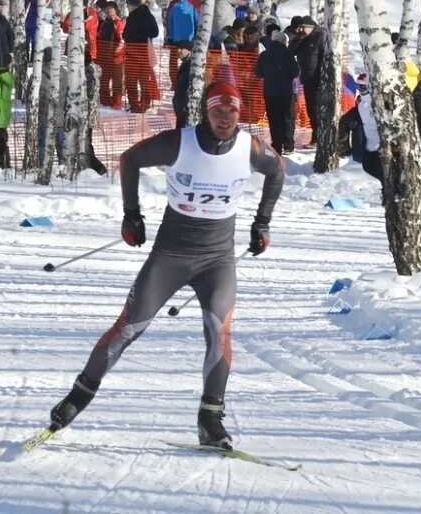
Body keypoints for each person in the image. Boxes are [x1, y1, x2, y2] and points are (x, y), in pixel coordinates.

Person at [45, 81, 285, 451]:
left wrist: (262, 222)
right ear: (206, 111)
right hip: (170, 256)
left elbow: (278, 169)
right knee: (128, 328)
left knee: (219, 334)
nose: (225, 119)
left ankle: (210, 419)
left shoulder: (249, 148)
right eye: (218, 111)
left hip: (217, 260)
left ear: (241, 114)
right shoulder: (180, 142)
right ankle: (78, 397)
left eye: (232, 112)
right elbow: (129, 159)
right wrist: (131, 216)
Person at [255, 30, 299, 155]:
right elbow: (296, 72)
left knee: (274, 120)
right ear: (283, 42)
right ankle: (289, 145)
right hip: (286, 92)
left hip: (270, 92)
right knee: (288, 118)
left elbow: (258, 72)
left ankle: (277, 146)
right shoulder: (288, 54)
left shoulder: (264, 55)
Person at [339, 75, 383, 184]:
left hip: (381, 149)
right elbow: (344, 121)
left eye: (363, 87)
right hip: (368, 149)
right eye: (359, 87)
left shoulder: (379, 103)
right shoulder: (361, 103)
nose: (361, 90)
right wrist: (344, 147)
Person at [291, 16, 326, 148]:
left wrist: (324, 79)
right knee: (311, 110)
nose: (300, 30)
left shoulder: (320, 36)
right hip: (306, 79)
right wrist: (299, 38)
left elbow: (325, 59)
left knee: (317, 110)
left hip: (318, 80)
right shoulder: (303, 38)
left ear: (310, 26)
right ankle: (316, 137)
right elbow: (291, 51)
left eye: (302, 28)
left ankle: (319, 138)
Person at [122, 0, 160, 113]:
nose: (127, 7)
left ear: (133, 5)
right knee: (142, 80)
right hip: (139, 52)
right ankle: (143, 104)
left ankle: (138, 105)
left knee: (133, 81)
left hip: (139, 52)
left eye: (128, 5)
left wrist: (135, 35)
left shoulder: (140, 17)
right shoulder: (146, 15)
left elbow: (154, 32)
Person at [165, 0, 201, 85]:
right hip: (176, 37)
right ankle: (175, 82)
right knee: (173, 62)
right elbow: (169, 21)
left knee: (190, 61)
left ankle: (190, 82)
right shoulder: (173, 4)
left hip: (190, 38)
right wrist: (169, 36)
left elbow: (197, 21)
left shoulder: (194, 3)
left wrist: (197, 36)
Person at [97, 1, 125, 109]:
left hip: (116, 58)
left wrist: (116, 52)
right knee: (103, 80)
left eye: (111, 8)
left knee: (116, 81)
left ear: (116, 9)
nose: (109, 10)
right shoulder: (104, 22)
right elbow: (99, 35)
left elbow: (122, 40)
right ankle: (105, 102)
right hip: (104, 56)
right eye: (107, 8)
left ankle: (116, 103)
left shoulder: (118, 22)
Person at [171, 41, 194, 129]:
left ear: (189, 50)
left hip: (186, 108)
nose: (178, 50)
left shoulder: (191, 65)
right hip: (182, 107)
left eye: (181, 48)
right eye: (177, 48)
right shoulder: (186, 63)